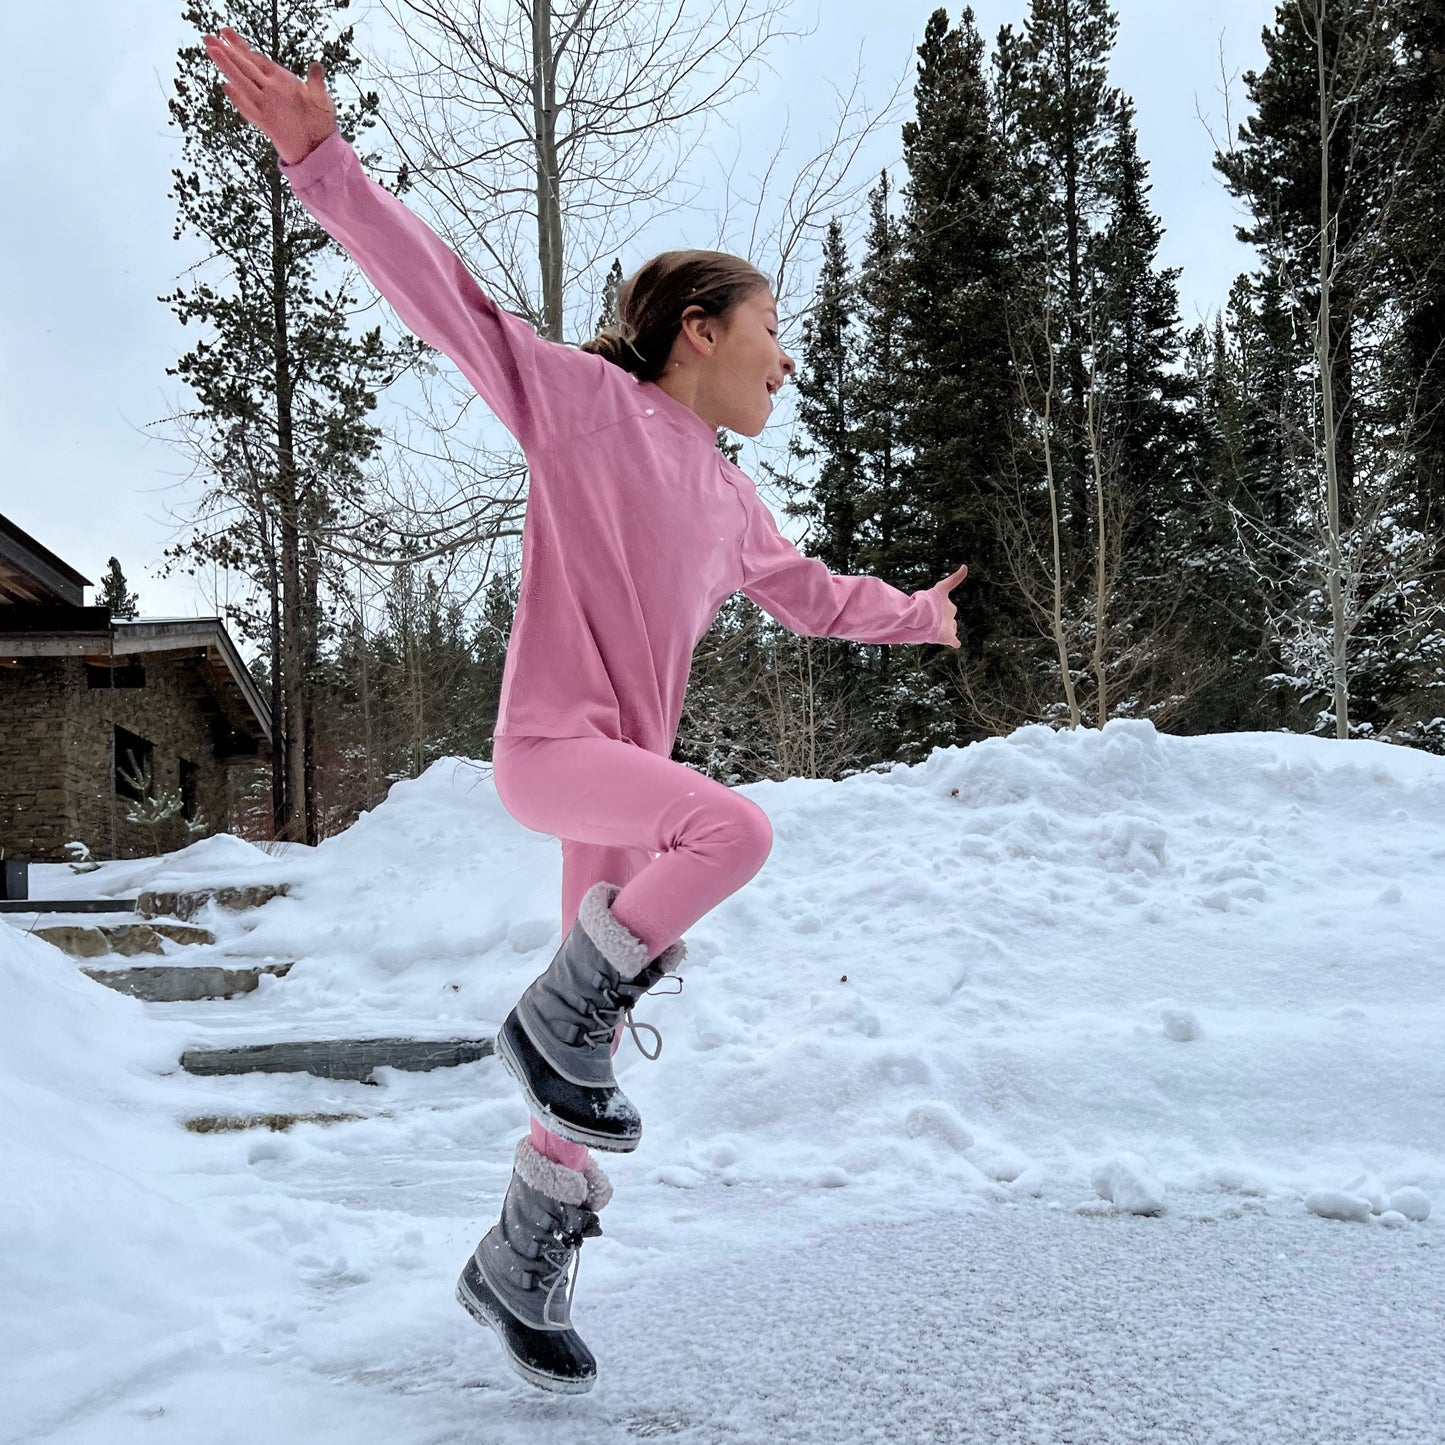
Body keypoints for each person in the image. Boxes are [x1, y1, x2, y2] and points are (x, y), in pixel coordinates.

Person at [203, 25, 969, 1395]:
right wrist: (322, 163)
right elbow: (445, 299)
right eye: (773, 332)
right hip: (554, 751)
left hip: (616, 789)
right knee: (729, 834)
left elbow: (808, 595)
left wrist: (912, 613)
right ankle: (554, 1019)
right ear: (700, 330)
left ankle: (521, 1253)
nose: (787, 362)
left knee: (590, 1052)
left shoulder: (730, 498)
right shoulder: (579, 403)